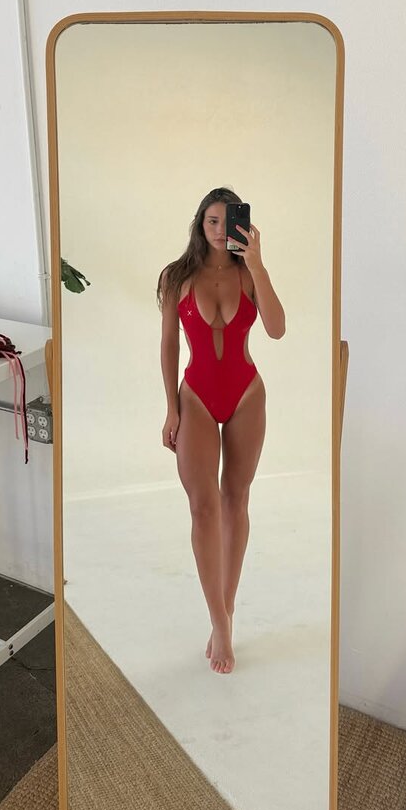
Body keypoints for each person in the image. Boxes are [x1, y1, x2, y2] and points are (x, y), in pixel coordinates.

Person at [157, 187, 285, 674]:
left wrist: (258, 264)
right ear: (200, 224)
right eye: (211, 220)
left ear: (241, 225)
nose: (218, 229)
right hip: (195, 397)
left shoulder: (249, 274)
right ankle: (219, 619)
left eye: (227, 220)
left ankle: (224, 614)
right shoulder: (176, 277)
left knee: (236, 499)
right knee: (202, 506)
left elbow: (277, 329)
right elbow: (169, 344)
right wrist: (171, 409)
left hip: (246, 394)